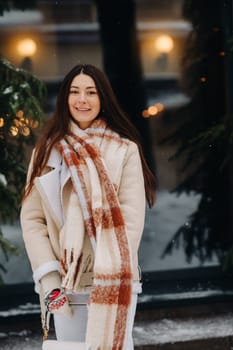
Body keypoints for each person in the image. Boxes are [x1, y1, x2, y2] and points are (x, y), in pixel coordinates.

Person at [20, 64, 156, 349]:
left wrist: (104, 270)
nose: (82, 100)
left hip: (112, 280)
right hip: (64, 285)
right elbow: (33, 220)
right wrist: (49, 278)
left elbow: (130, 221)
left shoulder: (124, 149)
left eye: (91, 92)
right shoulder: (47, 150)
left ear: (103, 98)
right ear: (64, 99)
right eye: (74, 92)